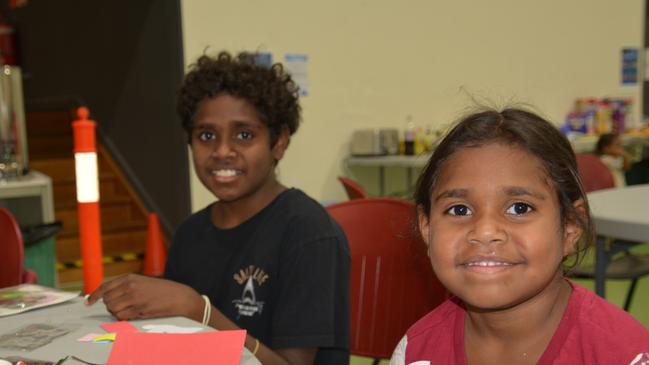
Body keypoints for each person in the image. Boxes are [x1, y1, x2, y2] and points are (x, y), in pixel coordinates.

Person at [87, 51, 350, 365]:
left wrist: (200, 310)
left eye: (244, 135)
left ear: (278, 142)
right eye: (207, 135)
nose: (223, 151)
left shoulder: (309, 234)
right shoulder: (190, 233)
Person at [390, 108, 649, 365]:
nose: (485, 232)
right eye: (459, 209)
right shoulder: (416, 353)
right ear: (427, 228)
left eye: (519, 208)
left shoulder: (623, 355)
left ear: (570, 226)